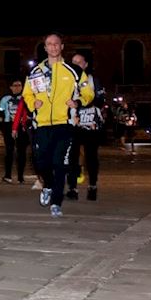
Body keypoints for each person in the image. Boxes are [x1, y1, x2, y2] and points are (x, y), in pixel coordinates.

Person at [22, 33, 94, 218]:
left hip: (65, 124)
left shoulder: (74, 70)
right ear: (45, 48)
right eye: (49, 44)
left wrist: (77, 102)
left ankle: (56, 202)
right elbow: (27, 94)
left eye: (56, 44)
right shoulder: (35, 71)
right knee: (41, 162)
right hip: (42, 124)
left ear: (62, 46)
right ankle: (47, 185)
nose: (53, 47)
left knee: (60, 163)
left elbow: (88, 92)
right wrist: (32, 104)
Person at [66, 52, 105, 202]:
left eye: (79, 62)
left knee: (91, 156)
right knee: (72, 156)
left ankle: (93, 186)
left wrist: (84, 102)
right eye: (73, 62)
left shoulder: (92, 80)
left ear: (86, 64)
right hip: (73, 122)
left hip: (90, 122)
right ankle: (72, 188)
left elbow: (101, 100)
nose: (76, 65)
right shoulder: (68, 81)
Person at [0, 78, 30, 183]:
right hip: (8, 125)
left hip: (21, 126)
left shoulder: (26, 98)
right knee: (9, 150)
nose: (17, 87)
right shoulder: (5, 99)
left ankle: (21, 176)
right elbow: (0, 113)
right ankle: (8, 175)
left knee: (22, 151)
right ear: (11, 87)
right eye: (15, 85)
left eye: (19, 85)